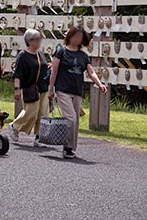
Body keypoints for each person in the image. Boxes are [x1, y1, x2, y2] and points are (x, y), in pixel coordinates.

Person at [48, 27, 107, 159]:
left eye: (80, 37)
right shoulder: (61, 52)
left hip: (77, 90)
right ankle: (67, 146)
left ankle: (70, 148)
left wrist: (99, 83)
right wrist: (50, 89)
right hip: (63, 89)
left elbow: (91, 72)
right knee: (71, 118)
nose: (77, 39)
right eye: (75, 36)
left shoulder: (83, 55)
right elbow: (54, 71)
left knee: (76, 121)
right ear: (69, 36)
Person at [9, 29, 50, 147]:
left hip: (43, 88)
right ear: (29, 41)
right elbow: (17, 74)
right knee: (31, 113)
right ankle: (15, 126)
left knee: (43, 114)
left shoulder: (40, 54)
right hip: (30, 88)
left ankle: (39, 138)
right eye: (37, 39)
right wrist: (17, 89)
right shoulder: (22, 56)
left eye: (39, 39)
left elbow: (43, 67)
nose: (39, 41)